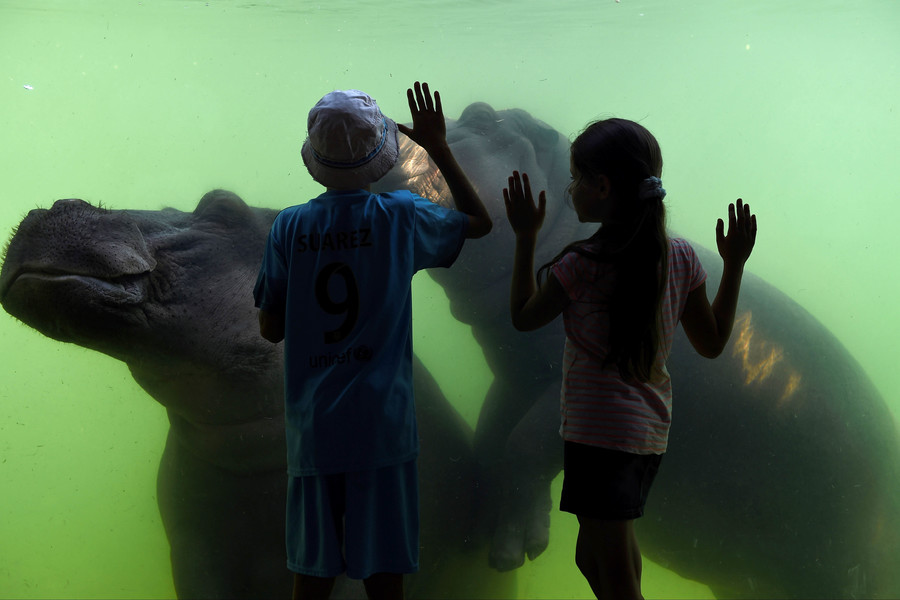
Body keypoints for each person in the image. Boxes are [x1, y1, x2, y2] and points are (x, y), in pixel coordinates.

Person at [253, 82, 492, 600]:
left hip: (315, 427)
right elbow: (478, 223)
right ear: (380, 154)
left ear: (315, 157)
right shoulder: (401, 215)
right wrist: (437, 147)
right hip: (383, 424)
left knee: (311, 578)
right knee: (385, 579)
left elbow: (271, 328)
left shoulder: (287, 227)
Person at [502, 118, 757, 599]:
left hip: (597, 436)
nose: (569, 187)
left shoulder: (580, 265)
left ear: (602, 187)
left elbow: (522, 317)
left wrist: (524, 236)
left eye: (576, 177)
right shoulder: (679, 256)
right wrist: (735, 266)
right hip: (644, 433)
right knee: (594, 557)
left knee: (616, 577)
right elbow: (713, 341)